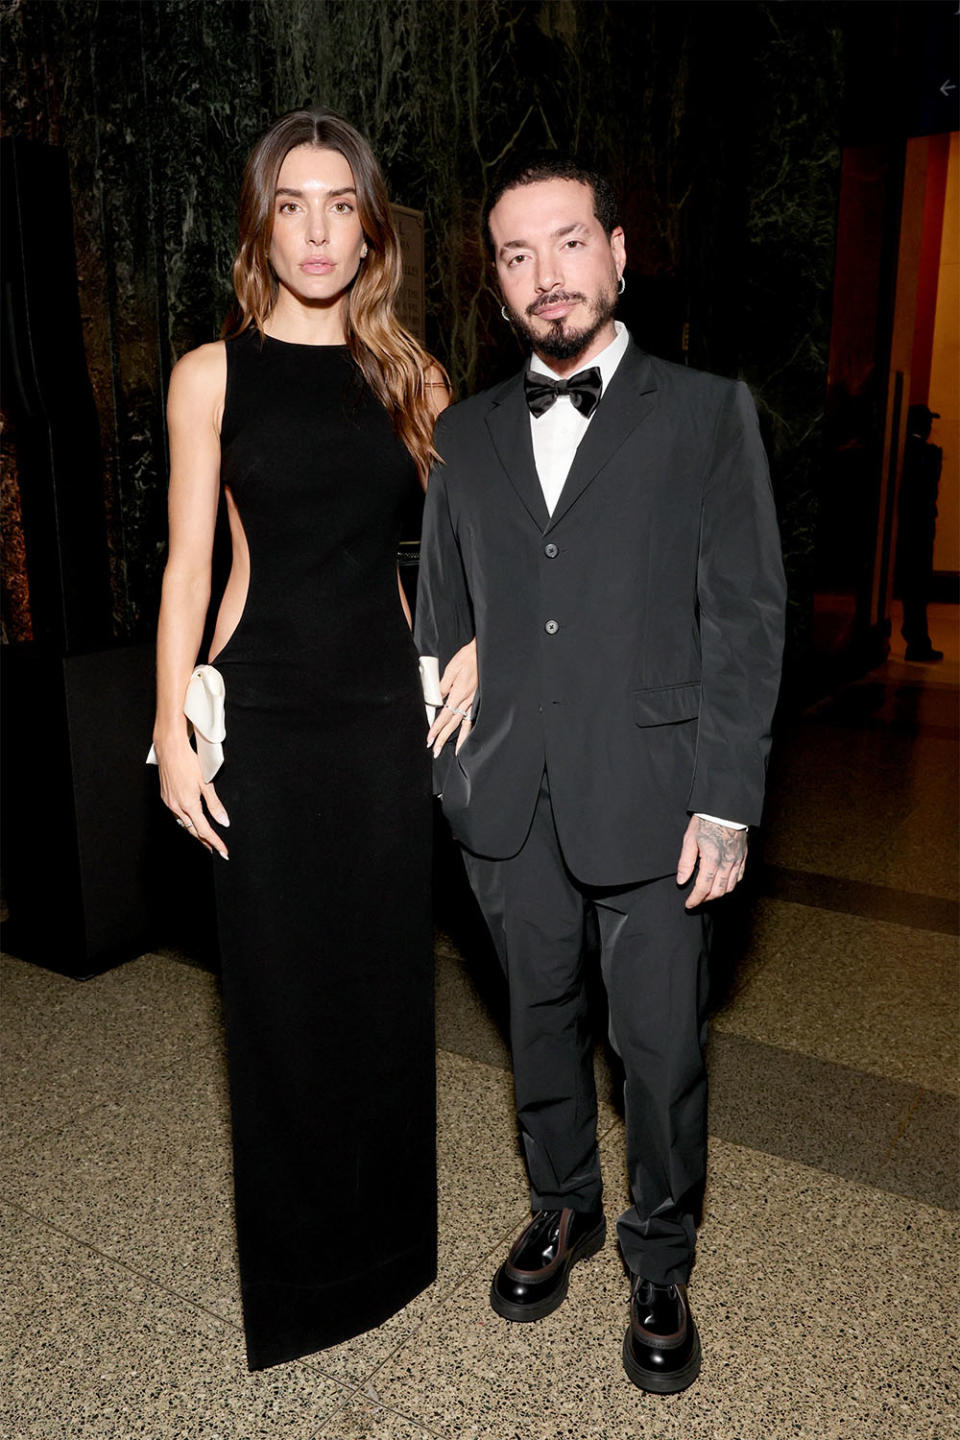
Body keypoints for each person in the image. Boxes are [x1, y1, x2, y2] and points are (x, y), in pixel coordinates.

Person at [416, 154, 786, 1395]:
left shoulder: (703, 412)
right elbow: (445, 609)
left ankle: (660, 1255)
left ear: (620, 254)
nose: (545, 276)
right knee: (535, 1022)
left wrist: (728, 799)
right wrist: (449, 723)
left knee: (662, 1048)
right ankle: (562, 1207)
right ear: (498, 284)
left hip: (658, 791)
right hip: (509, 791)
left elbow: (744, 615)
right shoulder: (464, 435)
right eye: (516, 256)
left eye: (568, 244)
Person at [150, 107, 474, 1371]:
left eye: (342, 203)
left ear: (372, 227)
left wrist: (480, 650)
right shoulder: (209, 375)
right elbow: (189, 570)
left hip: (381, 721)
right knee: (278, 1002)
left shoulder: (416, 378)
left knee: (386, 994)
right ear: (262, 222)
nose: (319, 229)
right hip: (266, 721)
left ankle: (391, 1250)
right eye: (294, 202)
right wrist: (172, 730)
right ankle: (299, 1284)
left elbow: (465, 563)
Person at [896, 403, 943, 663]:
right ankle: (918, 640)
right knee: (918, 585)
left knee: (912, 585)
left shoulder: (901, 451)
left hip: (907, 528)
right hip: (920, 529)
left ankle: (916, 637)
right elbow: (927, 490)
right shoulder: (925, 454)